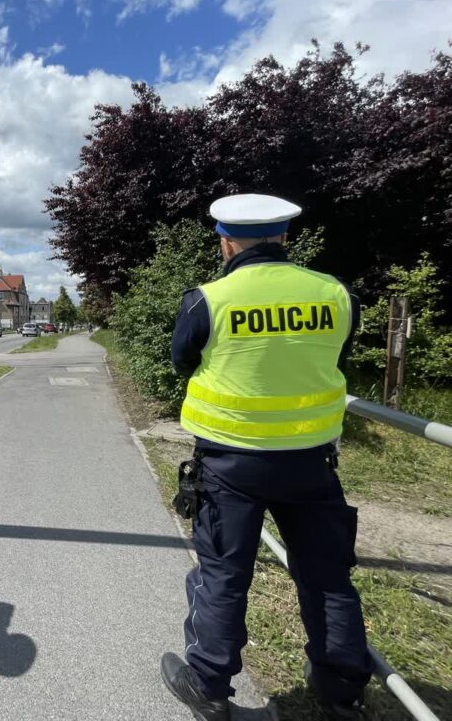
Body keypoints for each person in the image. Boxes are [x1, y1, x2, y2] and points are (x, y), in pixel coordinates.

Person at [160, 194, 373, 721]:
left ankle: (208, 685)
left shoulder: (208, 300)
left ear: (226, 242)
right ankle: (342, 693)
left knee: (224, 574)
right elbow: (337, 356)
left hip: (230, 463)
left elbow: (183, 360)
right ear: (284, 238)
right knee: (327, 576)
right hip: (310, 462)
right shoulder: (336, 294)